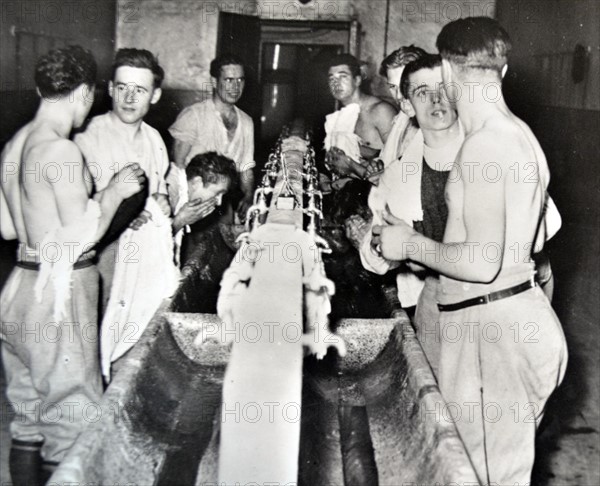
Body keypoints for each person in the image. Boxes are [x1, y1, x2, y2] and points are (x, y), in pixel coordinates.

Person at [372, 17, 568, 485]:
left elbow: (481, 263)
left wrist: (409, 243)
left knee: (478, 478)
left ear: (449, 73)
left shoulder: (482, 148)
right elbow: (532, 245)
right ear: (501, 71)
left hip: (491, 332)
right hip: (512, 317)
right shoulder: (519, 135)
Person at [0, 45, 145, 485]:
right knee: (74, 424)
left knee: (28, 419)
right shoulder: (61, 152)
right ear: (84, 92)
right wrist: (116, 192)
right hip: (58, 298)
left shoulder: (15, 145)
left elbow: (7, 228)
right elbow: (79, 238)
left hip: (18, 290)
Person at [358, 54, 464, 377]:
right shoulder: (397, 178)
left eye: (443, 88)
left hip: (495, 311)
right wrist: (382, 246)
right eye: (421, 92)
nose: (436, 100)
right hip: (434, 304)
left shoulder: (495, 153)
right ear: (406, 105)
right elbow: (371, 258)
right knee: (440, 406)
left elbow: (541, 267)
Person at [74, 48, 170, 312]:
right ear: (111, 89)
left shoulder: (155, 141)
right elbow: (73, 219)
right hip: (99, 267)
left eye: (140, 89)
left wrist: (161, 204)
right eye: (123, 87)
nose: (129, 97)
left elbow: (158, 199)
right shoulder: (86, 138)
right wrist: (124, 211)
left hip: (142, 268)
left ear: (155, 95)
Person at [169, 53, 255, 222]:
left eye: (240, 80)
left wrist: (249, 195)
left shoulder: (246, 122)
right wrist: (180, 211)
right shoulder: (193, 115)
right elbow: (177, 168)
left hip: (223, 208)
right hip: (192, 208)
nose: (235, 87)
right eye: (229, 80)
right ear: (215, 82)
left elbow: (246, 166)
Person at [324, 53, 397, 184]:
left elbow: (398, 166)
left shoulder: (380, 111)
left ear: (357, 80)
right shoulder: (340, 116)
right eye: (331, 79)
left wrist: (351, 162)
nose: (336, 83)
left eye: (343, 77)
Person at [167, 151, 237, 266]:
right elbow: (148, 244)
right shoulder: (170, 189)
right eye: (217, 193)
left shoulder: (184, 192)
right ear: (197, 182)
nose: (219, 202)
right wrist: (179, 221)